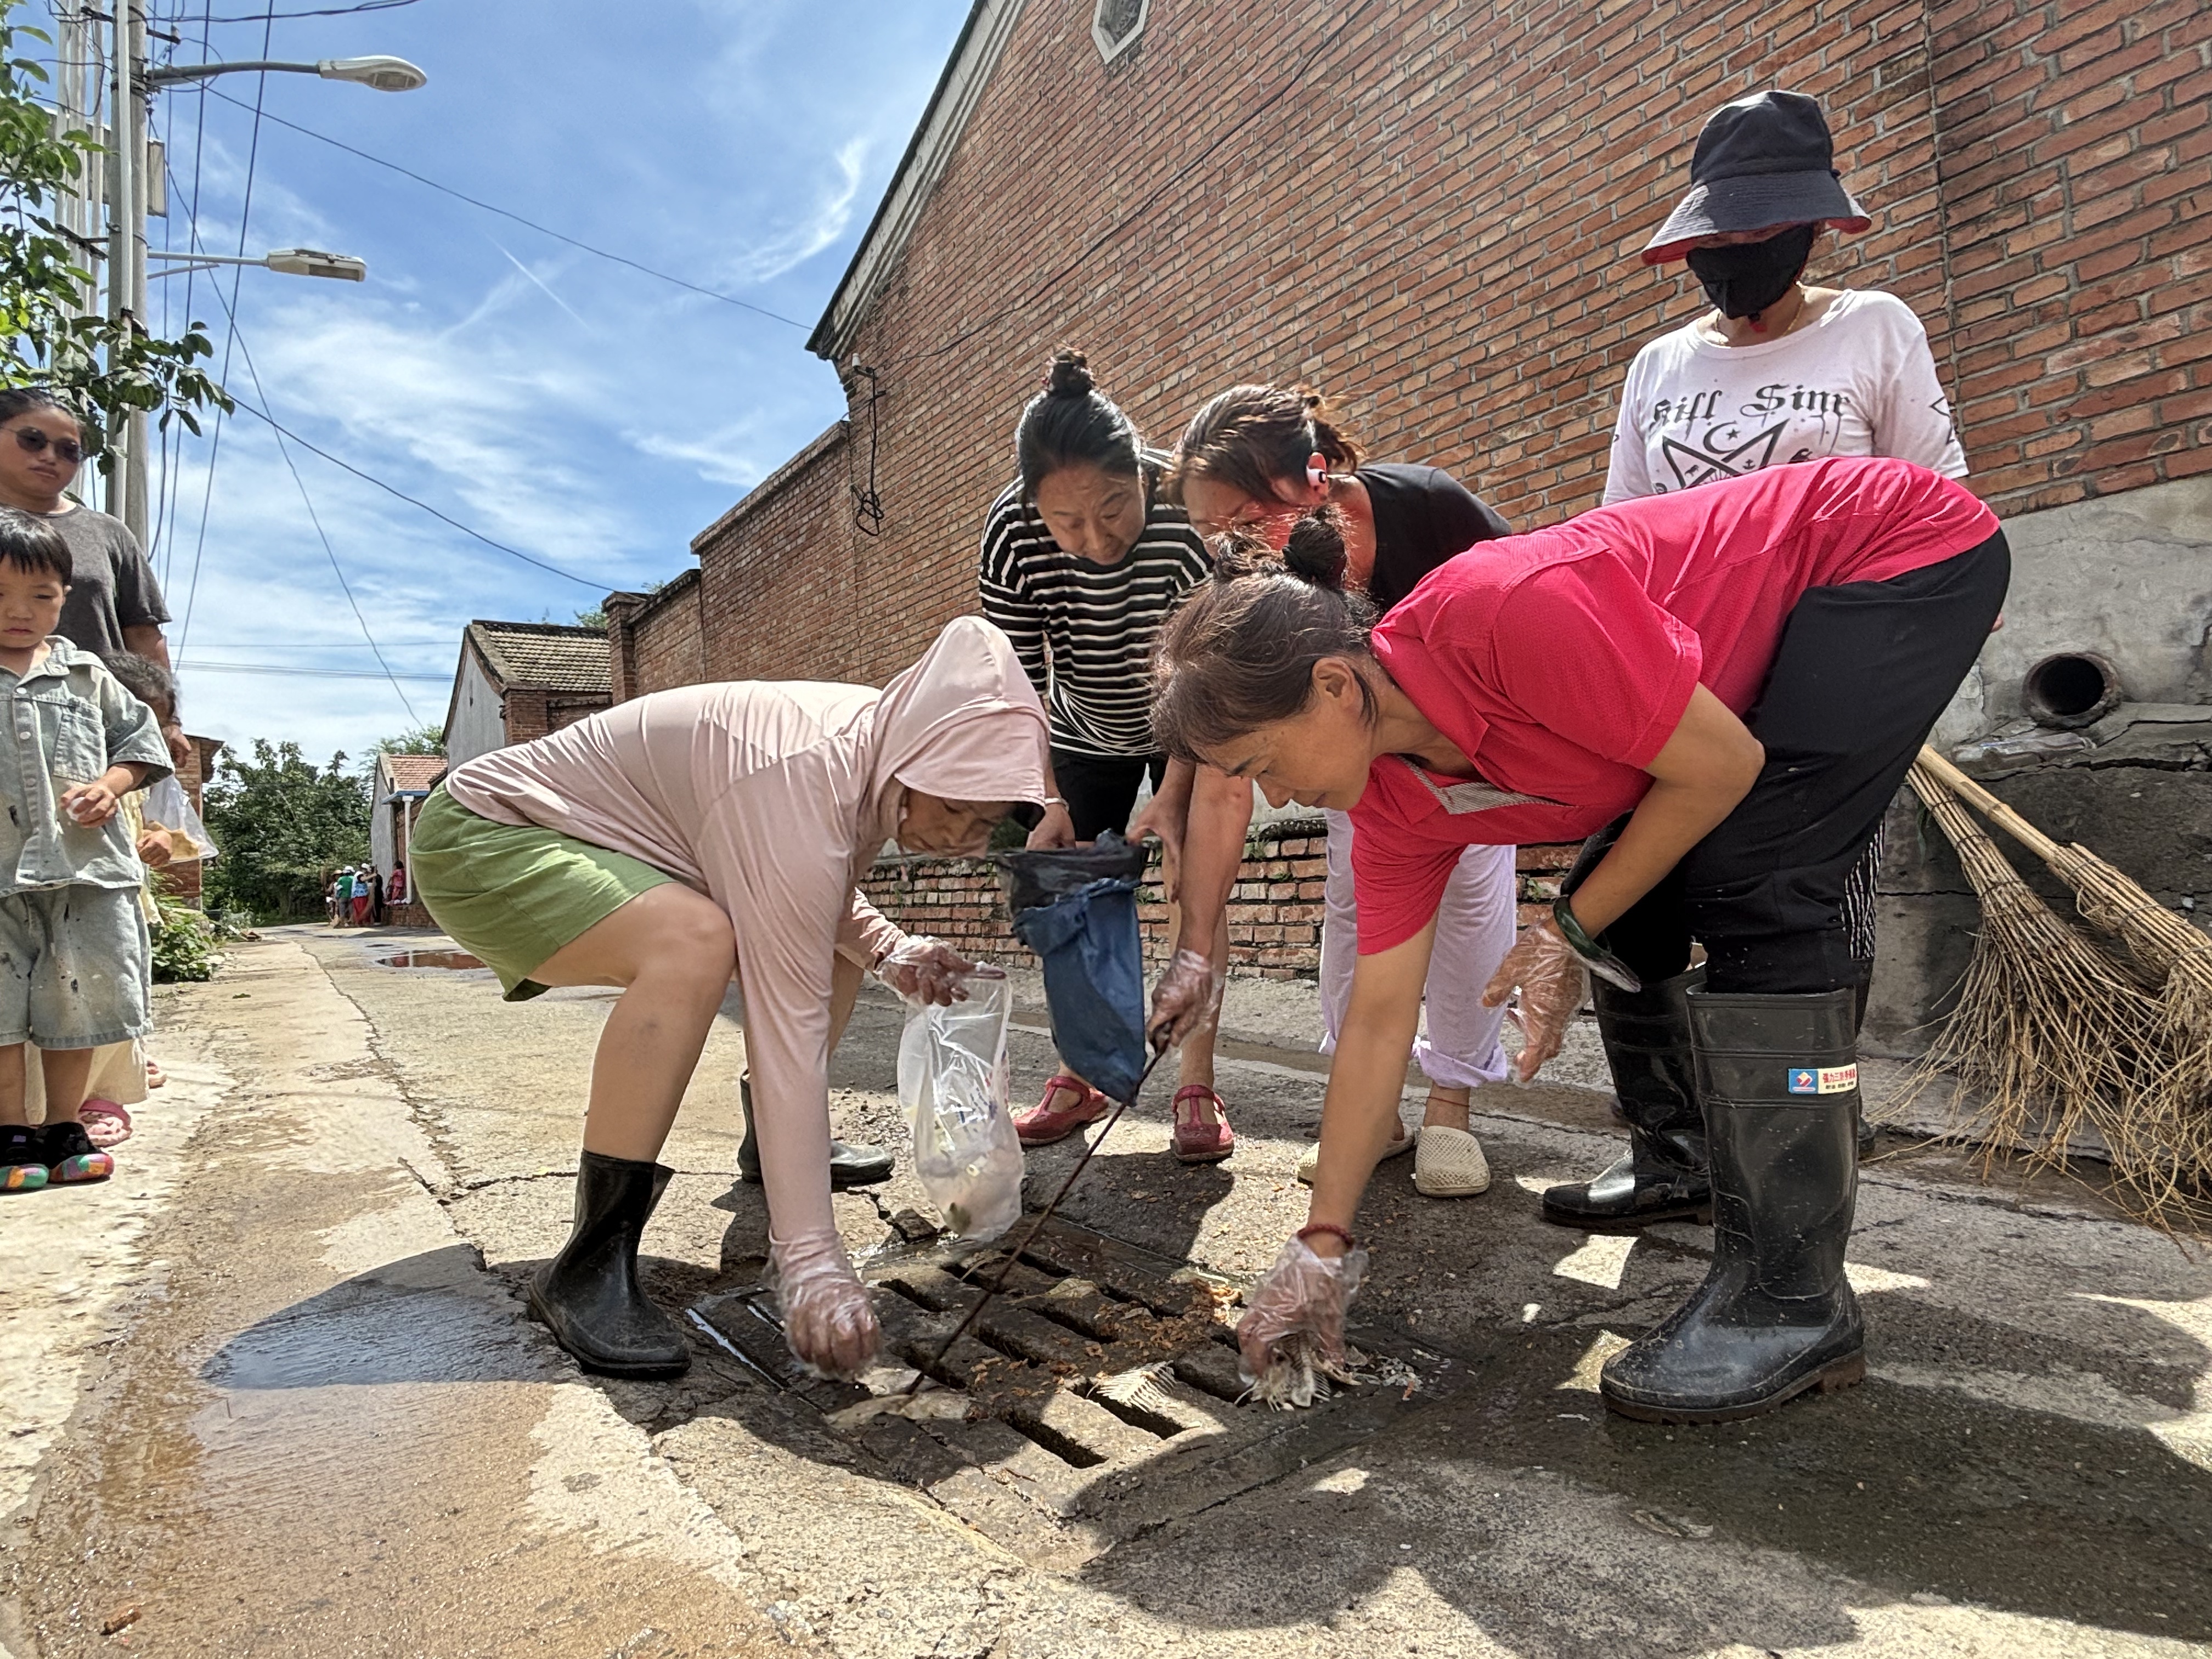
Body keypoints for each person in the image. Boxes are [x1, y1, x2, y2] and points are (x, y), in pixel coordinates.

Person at [1147, 457, 2007, 1423]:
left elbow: (1719, 766)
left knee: (1756, 878)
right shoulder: (1391, 801)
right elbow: (1380, 1023)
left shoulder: (1505, 613)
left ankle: (1790, 1299)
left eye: (1262, 762)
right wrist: (1321, 1246)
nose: (1270, 796)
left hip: (1889, 548)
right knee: (1631, 886)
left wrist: (1566, 925)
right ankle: (1682, 1155)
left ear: (1335, 685)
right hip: (1749, 672)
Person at [409, 616, 1049, 1381]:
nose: (972, 844)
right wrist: (809, 1258)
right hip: (487, 835)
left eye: (990, 825)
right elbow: (789, 1029)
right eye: (960, 812)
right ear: (913, 762)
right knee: (695, 943)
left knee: (830, 941)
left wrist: (890, 948)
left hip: (602, 842)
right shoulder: (802, 766)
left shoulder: (876, 746)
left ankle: (768, 1144)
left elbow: (809, 888)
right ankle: (589, 1260)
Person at [1548, 88, 1972, 1234]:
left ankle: (1802, 1154)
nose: (1734, 261)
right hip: (1685, 681)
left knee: (1799, 906)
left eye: (1757, 239)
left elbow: (1932, 509)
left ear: (1813, 228)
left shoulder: (1875, 329)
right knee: (1622, 901)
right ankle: (1674, 1151)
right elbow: (1619, 542)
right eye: (1716, 243)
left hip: (1833, 672)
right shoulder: (1658, 367)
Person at [1166, 383, 1517, 1199]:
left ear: (1315, 477)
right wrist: (1195, 946)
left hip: (1469, 750)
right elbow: (1225, 785)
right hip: (1359, 772)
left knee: (1471, 902)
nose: (1234, 550)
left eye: (1249, 522)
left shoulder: (1430, 511)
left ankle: (1452, 1108)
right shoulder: (1250, 585)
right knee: (1355, 914)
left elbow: (1523, 616)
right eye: (1213, 533)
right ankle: (1374, 1109)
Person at [979, 348, 1232, 1163]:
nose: (1095, 539)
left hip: (1185, 718)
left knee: (1197, 879)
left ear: (1143, 480)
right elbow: (1018, 684)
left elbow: (1208, 670)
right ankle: (1079, 1071)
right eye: (1068, 522)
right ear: (1033, 507)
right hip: (1080, 728)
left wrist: (1174, 792)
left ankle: (1197, 1081)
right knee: (1077, 897)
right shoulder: (1011, 534)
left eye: (1113, 509)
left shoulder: (1185, 516)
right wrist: (1045, 800)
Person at [0, 510, 172, 1194]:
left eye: (40, 598)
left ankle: (64, 1125)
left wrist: (109, 785)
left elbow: (142, 745)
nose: (21, 614)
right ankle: (12, 1128)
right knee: (3, 1005)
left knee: (78, 1000)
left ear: (64, 597)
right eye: (1, 598)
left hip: (85, 872)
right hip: (3, 872)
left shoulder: (87, 675)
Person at [0, 390, 190, 771]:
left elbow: (143, 633)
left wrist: (169, 721)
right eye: (33, 440)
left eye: (69, 450)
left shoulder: (106, 533)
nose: (50, 456)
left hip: (95, 731)